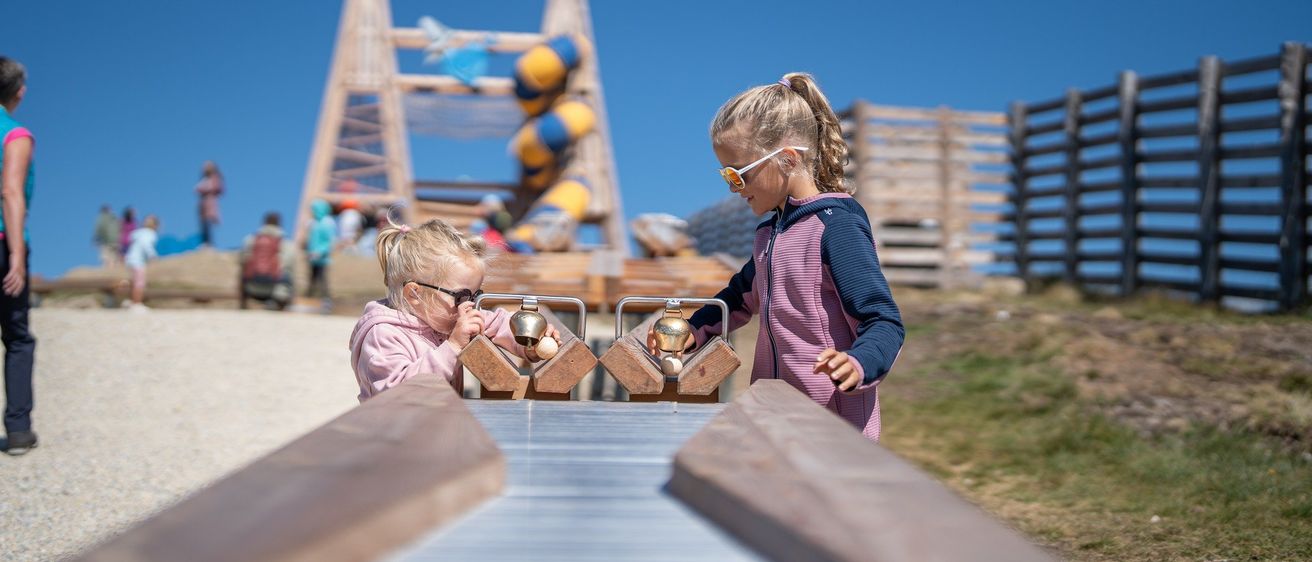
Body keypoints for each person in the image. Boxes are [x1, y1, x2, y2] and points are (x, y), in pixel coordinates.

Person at [665, 73, 904, 441]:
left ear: (788, 159)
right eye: (725, 175)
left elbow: (883, 321)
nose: (732, 188)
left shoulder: (836, 227)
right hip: (776, 415)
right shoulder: (769, 234)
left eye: (738, 174)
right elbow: (737, 299)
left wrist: (858, 363)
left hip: (833, 425)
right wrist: (693, 330)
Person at [348, 218, 558, 402]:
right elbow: (396, 394)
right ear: (415, 294)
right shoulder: (383, 334)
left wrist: (530, 339)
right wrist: (453, 346)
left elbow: (499, 322)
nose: (470, 305)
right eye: (460, 296)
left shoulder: (445, 317)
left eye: (476, 296)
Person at [0, 57, 37, 455]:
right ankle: (19, 429)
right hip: (2, 238)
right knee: (16, 337)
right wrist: (15, 253)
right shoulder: (15, 135)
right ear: (19, 92)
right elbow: (10, 192)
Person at [239, 212, 295, 310]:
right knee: (288, 274)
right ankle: (282, 304)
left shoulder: (250, 239)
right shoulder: (285, 243)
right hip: (275, 288)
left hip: (250, 286)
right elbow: (289, 264)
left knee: (243, 271)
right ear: (279, 224)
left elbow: (242, 260)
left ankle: (243, 304)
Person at [305, 199, 336, 310]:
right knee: (312, 278)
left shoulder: (327, 223)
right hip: (313, 256)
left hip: (322, 257)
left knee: (322, 278)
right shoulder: (314, 222)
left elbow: (329, 241)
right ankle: (310, 299)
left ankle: (326, 300)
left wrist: (320, 252)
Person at [123, 215, 159, 311]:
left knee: (133, 281)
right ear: (156, 226)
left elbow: (130, 241)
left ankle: (130, 301)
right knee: (139, 283)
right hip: (138, 261)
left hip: (130, 259)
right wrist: (152, 255)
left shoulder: (137, 233)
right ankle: (137, 303)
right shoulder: (150, 234)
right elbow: (146, 244)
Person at [196, 161, 223, 247]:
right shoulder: (204, 179)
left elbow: (217, 188)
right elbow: (197, 189)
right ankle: (205, 242)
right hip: (203, 205)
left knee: (208, 224)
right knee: (203, 225)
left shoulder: (214, 178)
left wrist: (205, 189)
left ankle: (209, 243)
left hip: (210, 204)